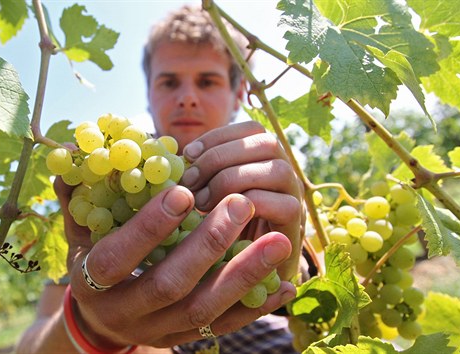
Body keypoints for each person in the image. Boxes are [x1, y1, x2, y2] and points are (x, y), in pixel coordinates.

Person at [17, 4, 305, 353]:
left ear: (238, 94)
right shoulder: (101, 192)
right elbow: (30, 347)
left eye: (207, 81)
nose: (186, 98)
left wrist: (296, 273)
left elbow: (310, 315)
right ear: (150, 96)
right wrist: (91, 329)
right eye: (169, 82)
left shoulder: (270, 180)